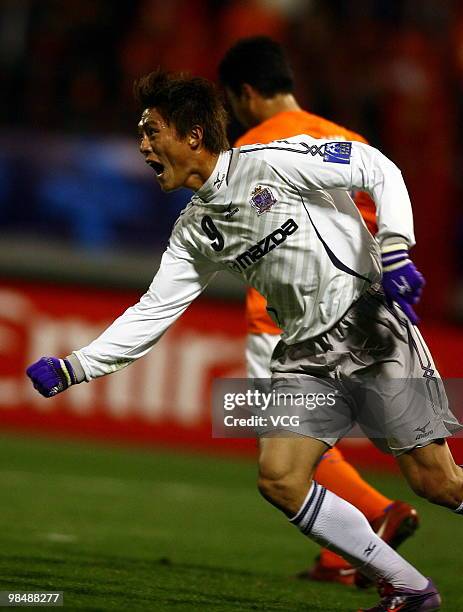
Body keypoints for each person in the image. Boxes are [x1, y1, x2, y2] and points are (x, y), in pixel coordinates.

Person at [26, 68, 463, 611]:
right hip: (306, 353)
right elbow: (154, 310)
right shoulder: (194, 230)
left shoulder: (274, 162)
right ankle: (410, 588)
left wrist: (395, 247)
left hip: (370, 326)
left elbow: (377, 167)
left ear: (191, 136)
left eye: (151, 131)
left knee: (437, 483)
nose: (142, 145)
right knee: (280, 478)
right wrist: (77, 366)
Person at [218, 35, 419, 587]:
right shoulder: (345, 137)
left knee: (281, 445)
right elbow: (379, 208)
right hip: (364, 311)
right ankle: (340, 556)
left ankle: (379, 512)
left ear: (246, 93)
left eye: (233, 102)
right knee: (428, 467)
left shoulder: (248, 154)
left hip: (283, 319)